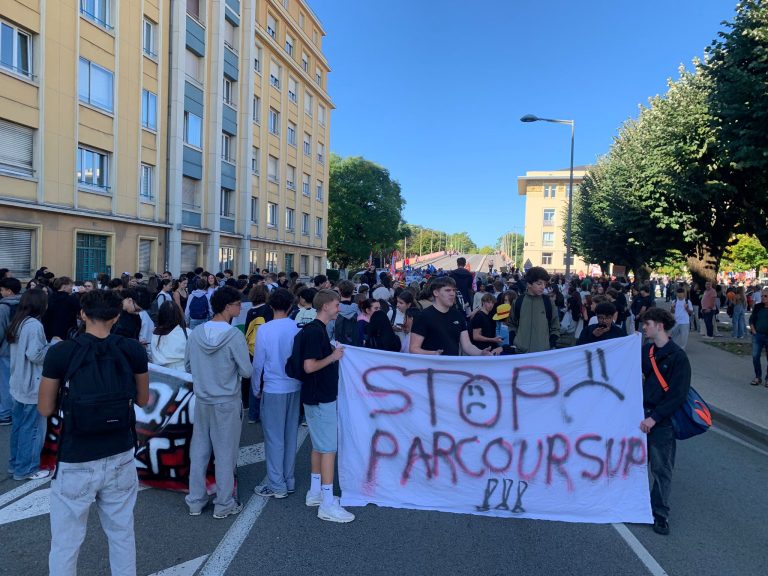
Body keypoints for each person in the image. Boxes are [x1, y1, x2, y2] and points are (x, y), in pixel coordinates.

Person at [39, 289, 150, 575]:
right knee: (122, 534)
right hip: (121, 451)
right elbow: (142, 399)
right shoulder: (132, 349)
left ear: (82, 314)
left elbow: (44, 407)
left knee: (65, 542)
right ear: (116, 316)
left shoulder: (61, 352)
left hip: (76, 454)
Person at [184, 286, 251, 518]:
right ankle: (224, 504)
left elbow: (188, 366)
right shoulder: (234, 336)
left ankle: (195, 499)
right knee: (225, 454)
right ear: (227, 307)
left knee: (199, 450)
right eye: (237, 304)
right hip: (227, 400)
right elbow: (246, 370)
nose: (240, 307)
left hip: (202, 399)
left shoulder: (197, 333)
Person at [297, 289, 355, 522]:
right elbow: (309, 366)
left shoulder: (315, 330)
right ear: (325, 307)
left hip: (316, 396)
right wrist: (333, 356)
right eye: (336, 305)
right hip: (320, 396)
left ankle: (316, 491)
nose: (338, 308)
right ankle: (328, 502)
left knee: (319, 446)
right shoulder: (315, 332)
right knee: (328, 448)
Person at [639, 308, 691, 536]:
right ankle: (635, 505)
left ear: (659, 325)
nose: (643, 328)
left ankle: (660, 514)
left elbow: (678, 395)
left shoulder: (678, 357)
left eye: (647, 324)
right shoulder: (644, 352)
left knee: (661, 469)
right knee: (635, 465)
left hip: (662, 422)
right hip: (640, 415)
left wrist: (655, 417)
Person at [252, 288, 302, 499]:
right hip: (295, 386)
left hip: (273, 387)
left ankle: (276, 484)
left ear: (270, 306)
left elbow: (258, 364)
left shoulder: (265, 329)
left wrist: (256, 388)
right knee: (291, 434)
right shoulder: (296, 327)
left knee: (274, 438)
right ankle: (288, 480)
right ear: (291, 305)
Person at [7, 289, 56, 480]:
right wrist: (53, 346)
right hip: (31, 385)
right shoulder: (34, 325)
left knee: (19, 427)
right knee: (33, 428)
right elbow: (36, 355)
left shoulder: (18, 321)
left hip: (18, 382)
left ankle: (15, 464)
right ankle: (26, 469)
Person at [410, 277, 498, 356]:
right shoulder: (423, 316)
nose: (452, 294)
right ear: (436, 293)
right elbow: (413, 349)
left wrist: (481, 353)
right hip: (431, 370)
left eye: (454, 290)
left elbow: (467, 346)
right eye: (448, 290)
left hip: (452, 370)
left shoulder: (458, 315)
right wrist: (433, 354)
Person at [509, 267, 560, 353]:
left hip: (542, 354)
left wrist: (550, 344)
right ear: (529, 284)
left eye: (545, 284)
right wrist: (514, 341)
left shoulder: (548, 302)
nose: (543, 287)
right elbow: (512, 324)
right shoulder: (518, 301)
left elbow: (555, 326)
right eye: (539, 284)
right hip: (520, 353)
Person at [0, 277, 23, 425]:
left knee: (4, 384)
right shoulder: (25, 304)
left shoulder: (3, 307)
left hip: (5, 351)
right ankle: (15, 412)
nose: (1, 292)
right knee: (16, 383)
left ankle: (4, 414)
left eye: (2, 290)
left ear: (9, 291)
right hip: (19, 350)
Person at [150, 301, 188, 370]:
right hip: (183, 376)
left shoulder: (154, 334)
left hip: (160, 376)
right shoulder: (187, 333)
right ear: (178, 314)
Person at [41, 276, 80, 341]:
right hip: (67, 333)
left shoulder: (48, 298)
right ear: (64, 287)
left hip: (49, 332)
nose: (71, 288)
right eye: (70, 286)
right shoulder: (72, 299)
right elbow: (79, 312)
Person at [749, 287, 768, 387]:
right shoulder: (758, 306)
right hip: (758, 335)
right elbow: (751, 319)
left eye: (765, 296)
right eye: (762, 296)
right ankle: (758, 376)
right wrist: (753, 330)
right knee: (755, 356)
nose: (763, 298)